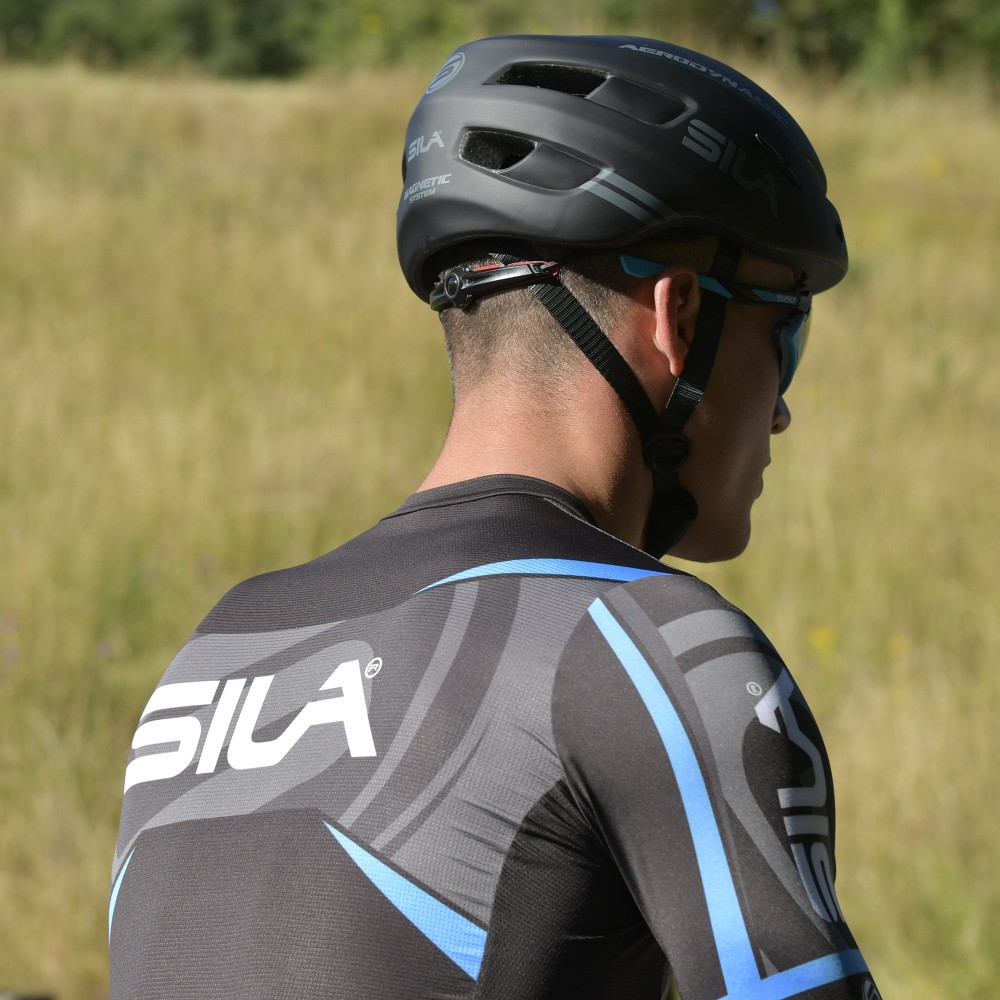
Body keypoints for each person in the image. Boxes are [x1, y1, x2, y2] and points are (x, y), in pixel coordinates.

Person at [109, 34, 883, 1000]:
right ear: (678, 318)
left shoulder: (222, 652)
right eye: (785, 330)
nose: (780, 410)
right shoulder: (652, 652)